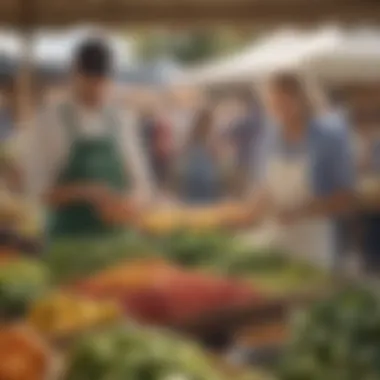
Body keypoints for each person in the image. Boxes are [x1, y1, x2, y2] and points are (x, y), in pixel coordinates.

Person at [24, 38, 153, 238]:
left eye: (102, 82)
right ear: (75, 75)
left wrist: (130, 203)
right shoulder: (50, 122)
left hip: (118, 239)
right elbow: (38, 192)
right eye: (89, 82)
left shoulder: (122, 120)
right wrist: (85, 192)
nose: (96, 90)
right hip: (68, 241)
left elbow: (141, 183)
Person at [244, 73, 354, 269]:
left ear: (302, 99)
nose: (278, 109)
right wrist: (253, 207)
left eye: (284, 101)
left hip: (313, 241)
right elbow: (263, 189)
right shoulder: (268, 140)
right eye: (273, 103)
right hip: (275, 238)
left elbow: (345, 199)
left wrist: (301, 212)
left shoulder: (328, 138)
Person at [175, 107, 227, 204]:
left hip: (192, 176)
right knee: (206, 205)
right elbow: (217, 157)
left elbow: (183, 154)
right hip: (207, 177)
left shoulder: (192, 136)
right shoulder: (211, 138)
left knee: (193, 205)